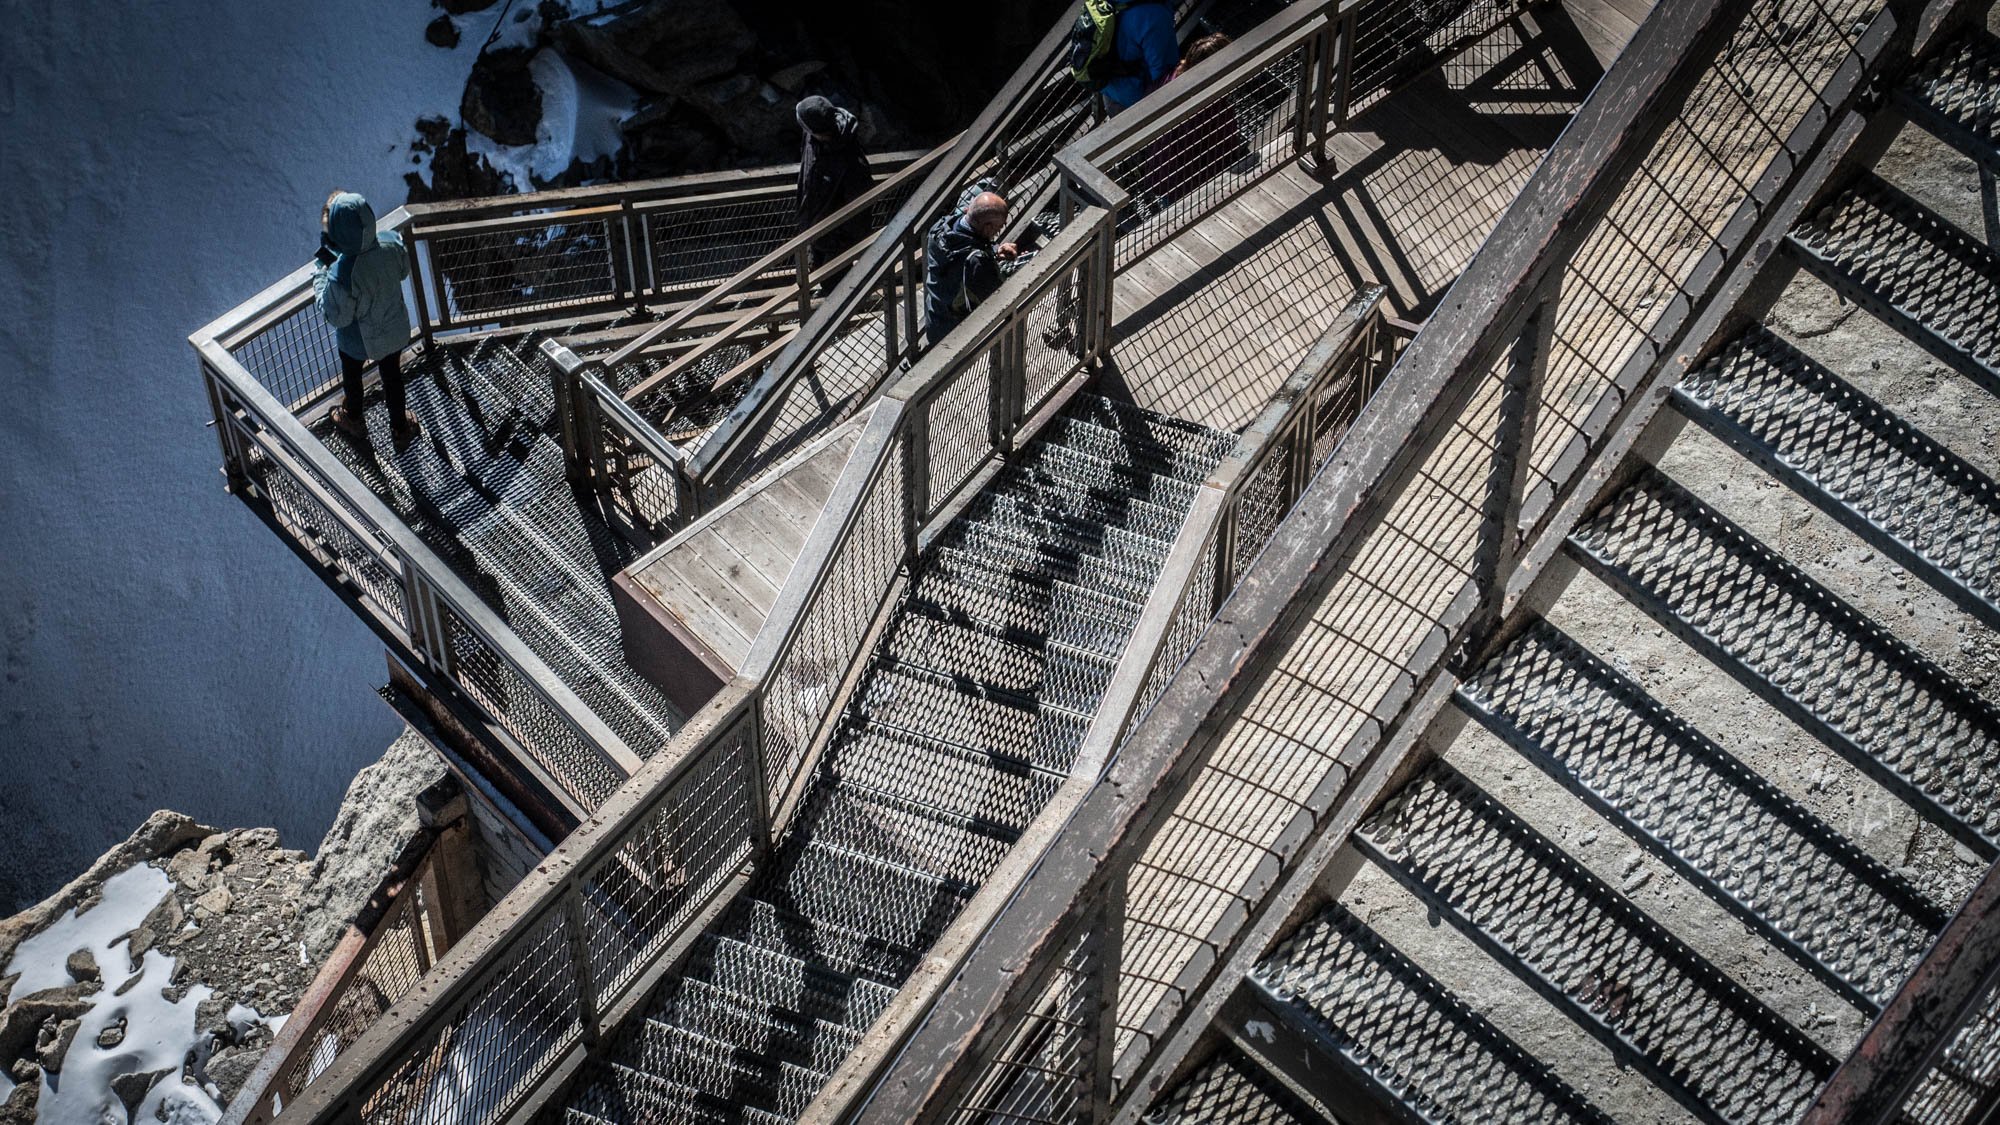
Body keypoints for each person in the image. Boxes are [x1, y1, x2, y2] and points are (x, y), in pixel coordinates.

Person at [314, 191, 417, 445]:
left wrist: (322, 274)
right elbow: (403, 270)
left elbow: (338, 315)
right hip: (393, 329)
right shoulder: (391, 243)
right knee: (392, 377)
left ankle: (353, 418)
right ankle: (400, 428)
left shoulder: (342, 273)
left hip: (358, 341)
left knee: (352, 376)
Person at [1145, 33, 1251, 201]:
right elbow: (1221, 151)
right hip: (1187, 189)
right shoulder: (1213, 108)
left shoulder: (1171, 79)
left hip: (1161, 175)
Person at [923, 191, 1020, 345]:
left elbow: (965, 246)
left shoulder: (941, 227)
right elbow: (998, 300)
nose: (998, 232)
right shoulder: (977, 262)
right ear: (988, 227)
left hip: (935, 316)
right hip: (955, 333)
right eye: (998, 228)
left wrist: (994, 250)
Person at [795, 95, 873, 274]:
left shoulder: (852, 163)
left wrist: (840, 244)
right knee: (817, 274)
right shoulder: (811, 137)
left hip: (835, 241)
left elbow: (859, 212)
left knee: (834, 284)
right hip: (814, 227)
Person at [1100, 0, 1179, 115]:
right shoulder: (1154, 14)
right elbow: (1164, 74)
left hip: (1112, 94)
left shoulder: (1120, 4)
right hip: (1138, 103)